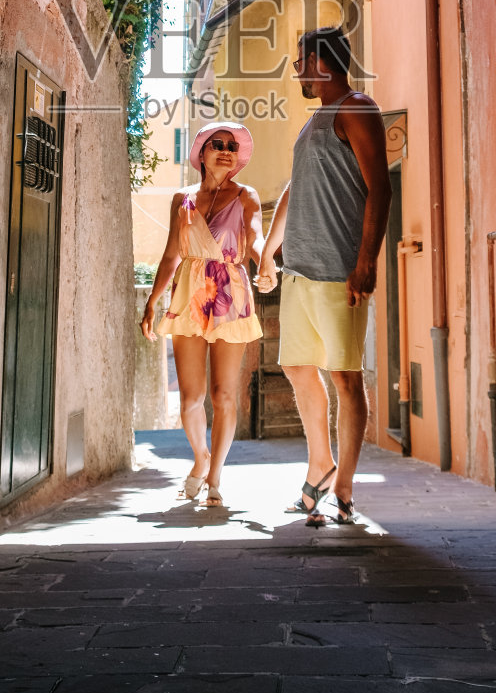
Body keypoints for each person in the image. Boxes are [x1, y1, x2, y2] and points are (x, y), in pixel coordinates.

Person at [255, 26, 391, 524]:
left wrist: (366, 262)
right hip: (299, 272)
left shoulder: (358, 109)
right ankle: (321, 465)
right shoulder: (313, 123)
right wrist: (268, 254)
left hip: (339, 272)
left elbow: (381, 189)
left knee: (345, 378)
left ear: (321, 64)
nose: (297, 74)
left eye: (300, 64)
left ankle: (345, 490)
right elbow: (294, 192)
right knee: (297, 367)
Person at [140, 121, 265, 508]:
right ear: (201, 153)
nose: (226, 150)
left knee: (223, 394)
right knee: (191, 399)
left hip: (230, 294)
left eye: (232, 146)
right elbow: (170, 255)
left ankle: (215, 476)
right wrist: (152, 301)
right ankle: (200, 458)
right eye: (217, 144)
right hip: (189, 295)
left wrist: (267, 263)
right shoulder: (182, 199)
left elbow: (255, 237)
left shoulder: (245, 195)